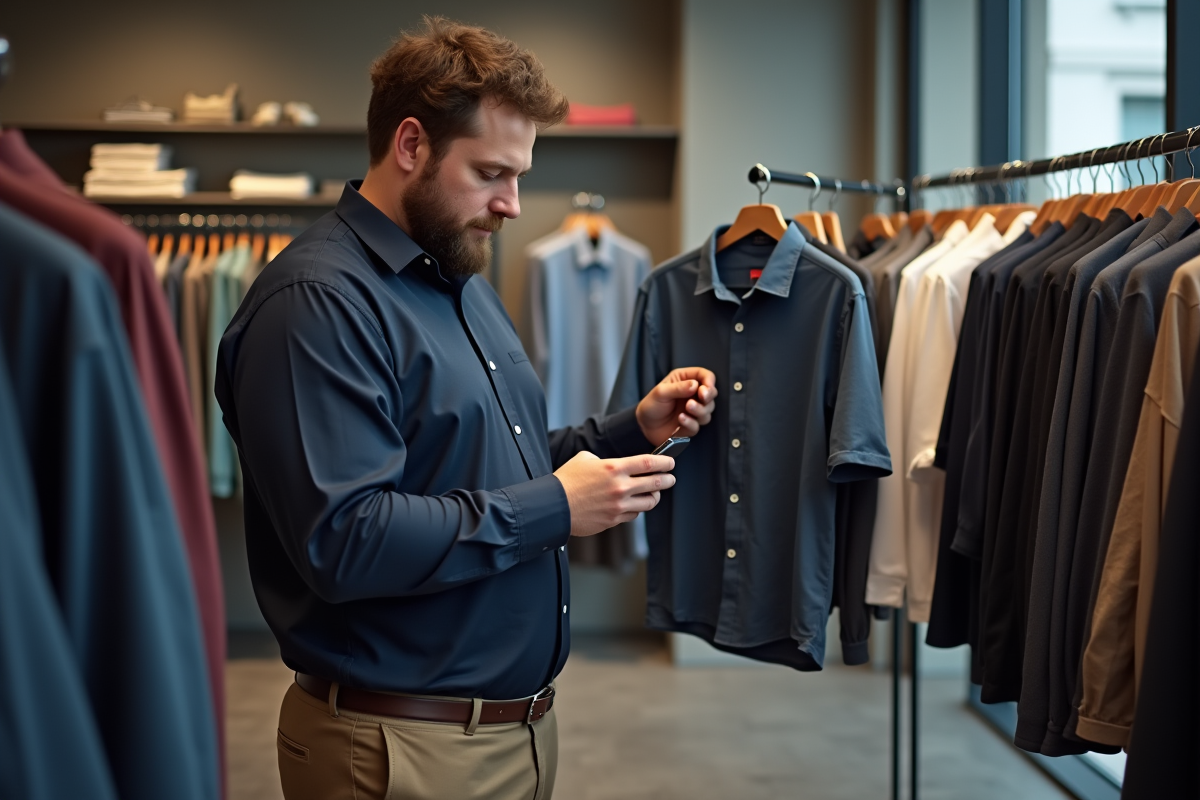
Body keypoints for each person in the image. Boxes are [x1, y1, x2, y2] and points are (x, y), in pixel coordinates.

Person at [214, 16, 717, 800]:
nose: (512, 204)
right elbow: (346, 539)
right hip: (396, 749)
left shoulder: (460, 283)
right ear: (411, 145)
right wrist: (555, 509)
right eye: (490, 173)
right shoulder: (316, 303)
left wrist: (631, 429)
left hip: (506, 736)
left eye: (518, 175)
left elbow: (489, 460)